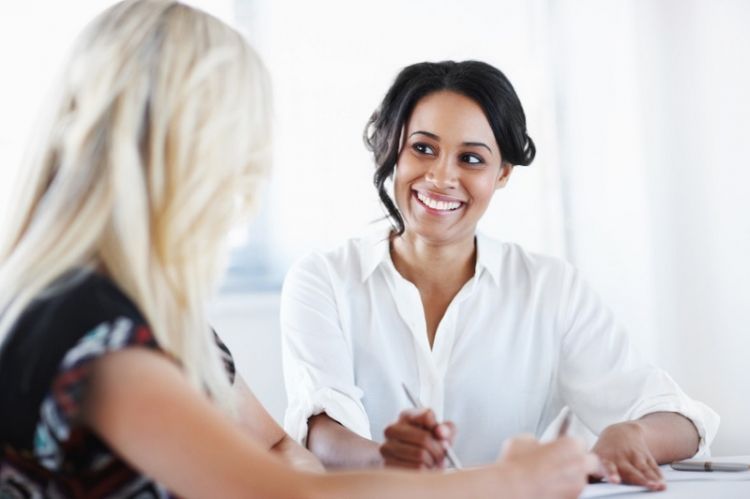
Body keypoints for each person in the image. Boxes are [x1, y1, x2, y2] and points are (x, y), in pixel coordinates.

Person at [0, 2, 600, 498]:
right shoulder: (95, 339)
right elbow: (283, 493)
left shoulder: (155, 322)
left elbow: (280, 452)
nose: (250, 179)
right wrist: (515, 479)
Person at [280, 60, 720, 490]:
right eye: (423, 148)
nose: (441, 177)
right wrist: (388, 459)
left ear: (502, 174)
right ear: (393, 147)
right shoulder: (323, 279)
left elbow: (682, 419)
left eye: (471, 158)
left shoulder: (550, 289)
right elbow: (320, 432)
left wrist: (634, 435)